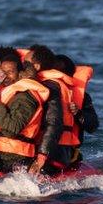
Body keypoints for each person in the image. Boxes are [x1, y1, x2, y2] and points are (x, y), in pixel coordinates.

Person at [0, 49, 52, 172]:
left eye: (10, 72)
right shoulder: (10, 92)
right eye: (3, 72)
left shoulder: (26, 97)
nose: (5, 76)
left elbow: (12, 129)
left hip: (14, 157)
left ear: (20, 73)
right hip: (3, 152)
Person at [28, 46, 66, 174]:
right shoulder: (37, 85)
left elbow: (54, 122)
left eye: (26, 62)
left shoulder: (50, 88)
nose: (22, 64)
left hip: (54, 154)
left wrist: (42, 156)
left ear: (37, 66)